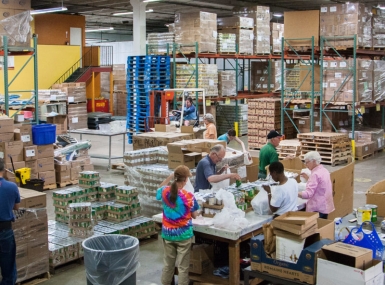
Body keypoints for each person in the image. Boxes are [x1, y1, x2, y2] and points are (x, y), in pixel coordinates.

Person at [156, 165, 200, 285]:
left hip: (168, 234)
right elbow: (195, 215)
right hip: (183, 236)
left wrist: (170, 177)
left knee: (168, 266)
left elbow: (159, 189)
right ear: (185, 179)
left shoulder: (165, 192)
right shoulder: (189, 196)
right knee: (182, 267)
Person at [0, 158, 20, 285]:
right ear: (4, 169)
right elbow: (16, 207)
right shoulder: (12, 187)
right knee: (8, 265)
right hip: (5, 230)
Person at [298, 151, 335, 219]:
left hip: (317, 208)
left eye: (307, 162)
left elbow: (308, 194)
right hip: (325, 206)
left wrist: (295, 192)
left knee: (315, 228)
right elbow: (320, 184)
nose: (306, 165)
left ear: (314, 161)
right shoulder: (324, 170)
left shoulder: (315, 174)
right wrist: (309, 179)